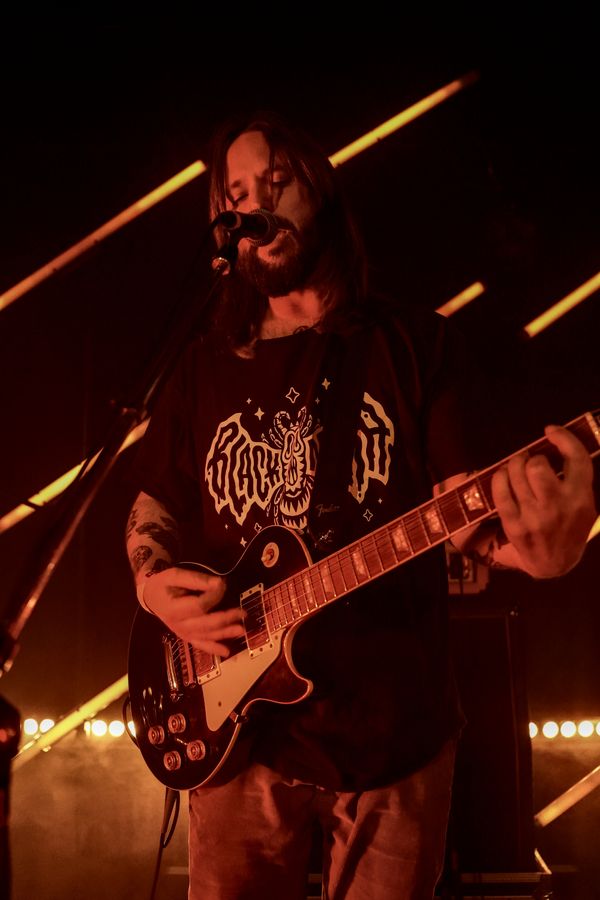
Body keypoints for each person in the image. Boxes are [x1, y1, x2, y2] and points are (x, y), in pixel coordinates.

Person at [125, 109, 597, 900]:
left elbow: (467, 514)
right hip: (238, 730)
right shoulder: (200, 367)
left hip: (395, 733)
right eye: (236, 194)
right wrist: (150, 584)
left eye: (276, 182)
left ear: (322, 189)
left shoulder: (416, 345)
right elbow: (155, 502)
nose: (255, 203)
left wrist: (550, 552)